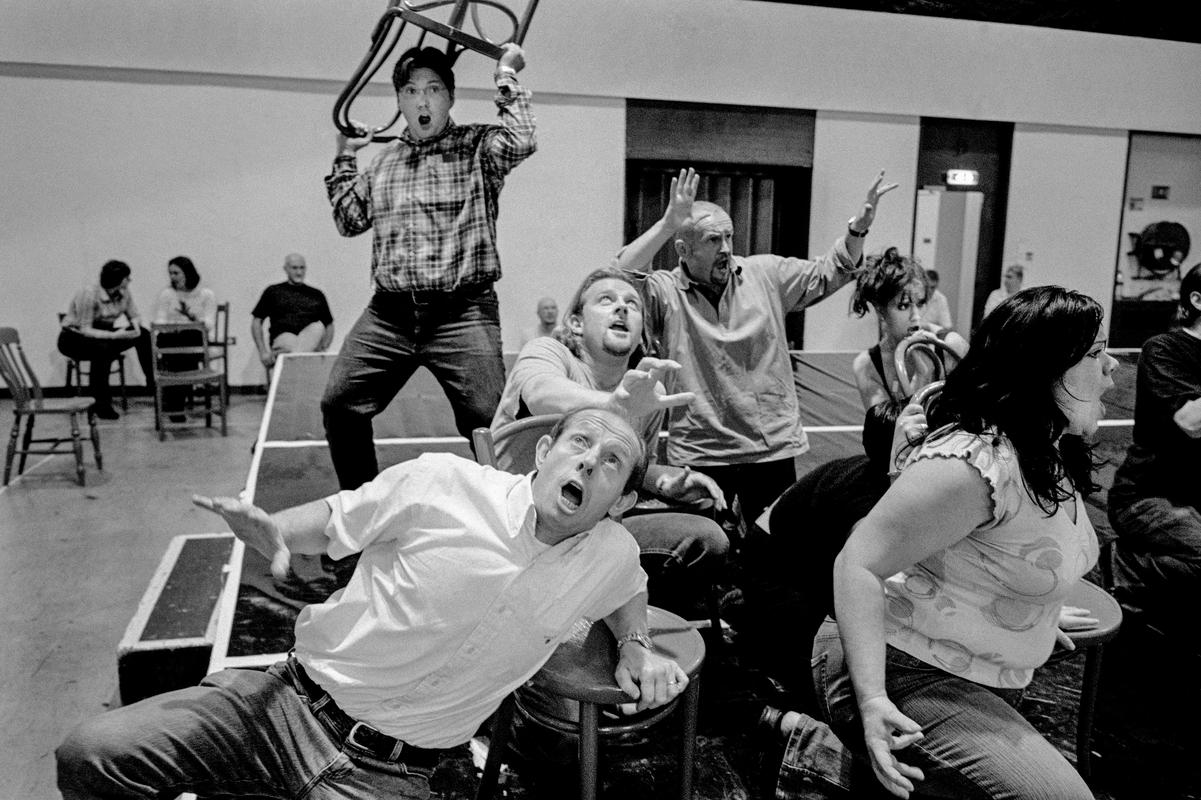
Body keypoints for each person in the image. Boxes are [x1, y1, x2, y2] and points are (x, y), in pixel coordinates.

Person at [56, 406, 689, 800]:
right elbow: (334, 518)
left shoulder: (609, 552)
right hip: (284, 707)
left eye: (611, 462)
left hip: (395, 775)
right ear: (545, 452)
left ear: (623, 504)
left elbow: (629, 590)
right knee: (91, 756)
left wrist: (637, 645)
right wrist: (278, 530)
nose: (589, 460)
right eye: (579, 442)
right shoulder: (444, 482)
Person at [812, 285, 1115, 799]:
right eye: (1095, 353)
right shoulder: (972, 463)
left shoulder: (1045, 448)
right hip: (898, 665)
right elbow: (857, 563)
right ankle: (816, 751)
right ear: (1044, 369)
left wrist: (1028, 604)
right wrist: (871, 700)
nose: (1112, 368)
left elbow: (1006, 550)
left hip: (969, 666)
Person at [614, 169, 898, 535]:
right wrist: (669, 223)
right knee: (708, 550)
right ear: (684, 250)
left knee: (772, 551)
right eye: (713, 239)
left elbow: (830, 272)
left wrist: (857, 229)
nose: (727, 248)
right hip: (700, 452)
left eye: (729, 236)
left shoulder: (765, 273)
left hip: (770, 449)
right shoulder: (664, 290)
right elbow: (619, 274)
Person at [321, 43, 536, 492]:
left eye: (434, 89)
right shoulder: (384, 162)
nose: (423, 100)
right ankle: (361, 515)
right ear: (399, 101)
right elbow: (349, 220)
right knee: (340, 405)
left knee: (491, 425)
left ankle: (514, 518)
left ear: (450, 98)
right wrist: (345, 155)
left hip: (462, 314)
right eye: (412, 90)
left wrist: (506, 74)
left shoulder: (477, 146)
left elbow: (522, 140)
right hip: (389, 315)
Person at [494, 267, 729, 614]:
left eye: (632, 304)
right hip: (519, 533)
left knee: (708, 536)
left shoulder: (647, 392)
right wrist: (612, 404)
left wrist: (663, 481)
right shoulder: (548, 352)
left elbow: (628, 466)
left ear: (641, 334)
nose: (622, 309)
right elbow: (540, 391)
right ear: (575, 323)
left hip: (598, 534)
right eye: (607, 300)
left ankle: (631, 626)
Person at [1109, 261, 1201, 638]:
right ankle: (1121, 567)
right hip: (1147, 497)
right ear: (1197, 300)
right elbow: (1190, 422)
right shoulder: (1163, 349)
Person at [850, 247, 968, 411]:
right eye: (903, 306)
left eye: (920, 304)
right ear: (880, 310)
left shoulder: (952, 346)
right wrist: (921, 378)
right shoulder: (867, 367)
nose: (916, 317)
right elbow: (886, 434)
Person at [57, 260, 154, 421]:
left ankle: (153, 385)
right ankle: (101, 403)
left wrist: (135, 327)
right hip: (74, 338)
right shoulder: (88, 293)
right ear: (117, 279)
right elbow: (85, 328)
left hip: (104, 335)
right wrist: (114, 336)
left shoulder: (124, 292)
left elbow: (134, 314)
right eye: (126, 277)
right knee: (102, 349)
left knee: (143, 335)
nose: (129, 281)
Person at [152, 255, 218, 420]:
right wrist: (172, 326)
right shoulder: (167, 294)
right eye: (170, 273)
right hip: (172, 338)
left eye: (176, 273)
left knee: (185, 347)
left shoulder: (206, 294)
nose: (173, 277)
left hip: (195, 339)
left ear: (187, 273)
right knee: (175, 348)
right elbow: (160, 320)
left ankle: (174, 404)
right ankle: (176, 403)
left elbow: (209, 323)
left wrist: (192, 317)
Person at [250, 252, 335, 373]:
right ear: (286, 269)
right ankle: (298, 363)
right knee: (290, 341)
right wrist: (263, 352)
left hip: (311, 341)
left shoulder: (316, 294)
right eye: (294, 268)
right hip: (283, 339)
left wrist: (324, 347)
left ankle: (292, 365)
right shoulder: (273, 291)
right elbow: (257, 321)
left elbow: (329, 325)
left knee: (318, 327)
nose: (299, 272)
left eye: (302, 268)